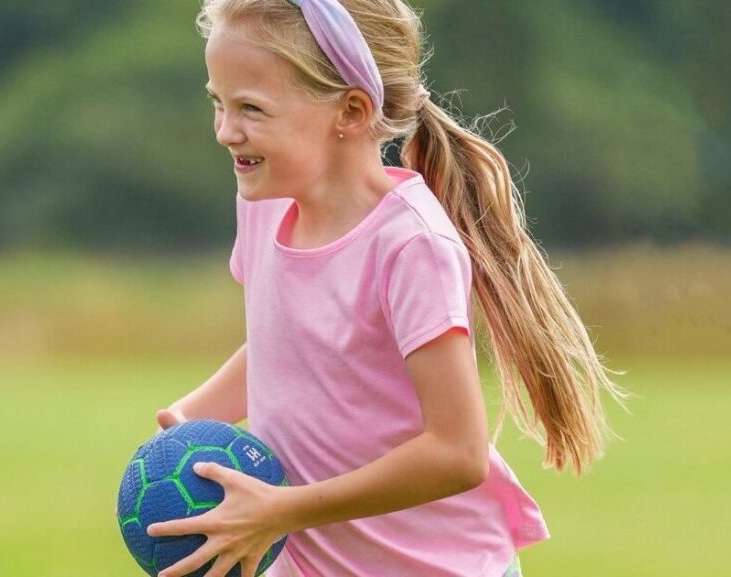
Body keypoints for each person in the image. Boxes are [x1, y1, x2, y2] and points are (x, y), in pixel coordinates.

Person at [147, 1, 632, 576]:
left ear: (351, 111)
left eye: (251, 108)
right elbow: (288, 348)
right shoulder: (265, 201)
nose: (226, 131)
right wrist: (188, 417)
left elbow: (457, 453)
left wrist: (282, 510)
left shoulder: (411, 245)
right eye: (218, 103)